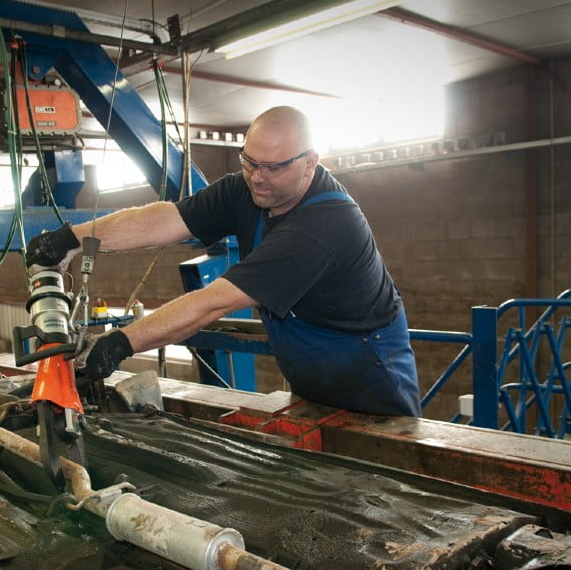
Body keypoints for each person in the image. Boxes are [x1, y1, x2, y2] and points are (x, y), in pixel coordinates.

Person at [26, 106, 421, 417]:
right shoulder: (246, 189)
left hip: (370, 378)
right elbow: (168, 219)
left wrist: (120, 343)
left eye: (274, 167)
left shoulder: (324, 227)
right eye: (249, 162)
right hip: (312, 377)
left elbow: (212, 301)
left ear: (310, 162)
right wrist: (73, 238)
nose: (258, 178)